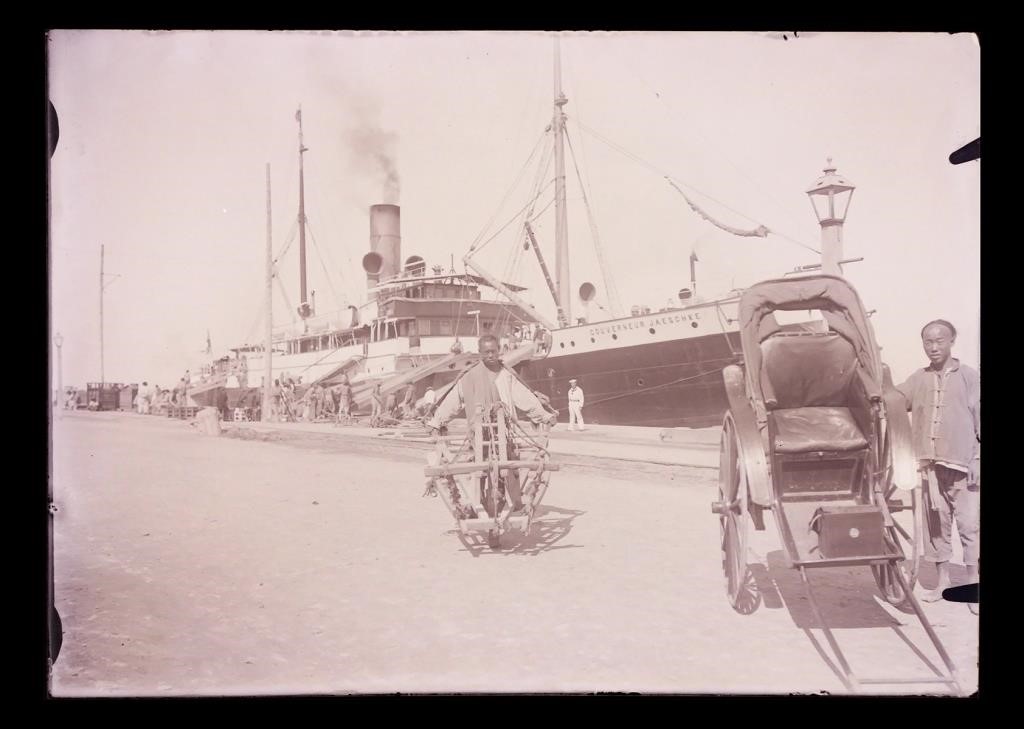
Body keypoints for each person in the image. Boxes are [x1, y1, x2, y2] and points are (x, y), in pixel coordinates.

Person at [896, 319, 980, 612]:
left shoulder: (969, 377)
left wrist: (978, 460)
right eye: (928, 342)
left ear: (952, 341)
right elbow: (895, 399)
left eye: (939, 341)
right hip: (930, 467)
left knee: (970, 526)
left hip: (963, 466)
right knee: (936, 527)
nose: (934, 347)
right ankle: (942, 584)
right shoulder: (918, 378)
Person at [426, 334, 557, 510]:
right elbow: (452, 401)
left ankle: (507, 499)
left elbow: (526, 399)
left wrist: (545, 416)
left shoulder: (507, 375)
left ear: (499, 351)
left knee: (506, 469)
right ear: (480, 353)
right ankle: (476, 502)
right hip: (477, 434)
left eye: (493, 351)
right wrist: (437, 421)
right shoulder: (469, 376)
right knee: (478, 471)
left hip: (505, 433)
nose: (490, 355)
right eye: (486, 352)